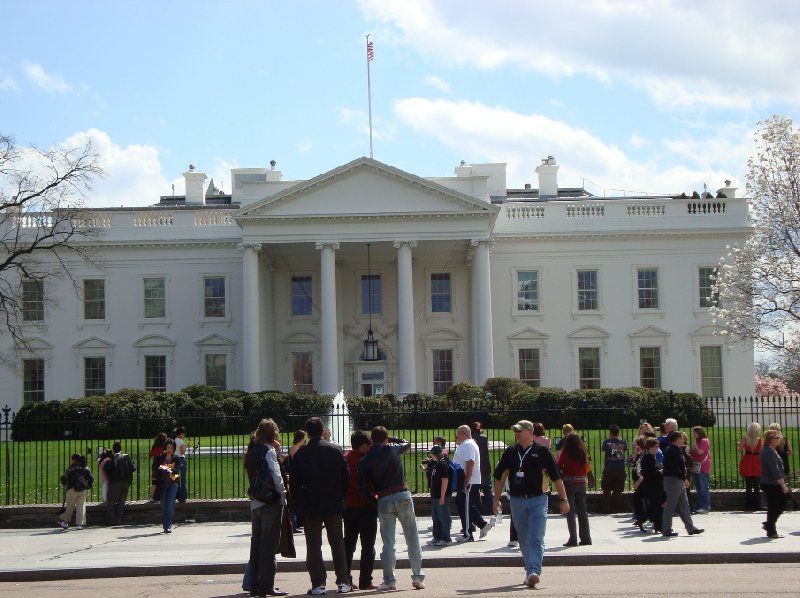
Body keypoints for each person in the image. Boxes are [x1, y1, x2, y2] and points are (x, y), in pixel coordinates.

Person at [492, 420, 569, 589]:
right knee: (523, 539)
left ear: (530, 432)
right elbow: (499, 477)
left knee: (536, 537)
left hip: (538, 500)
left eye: (520, 431)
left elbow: (556, 478)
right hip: (517, 500)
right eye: (515, 431)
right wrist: (496, 499)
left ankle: (534, 571)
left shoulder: (542, 452)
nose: (517, 433)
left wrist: (564, 500)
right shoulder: (510, 452)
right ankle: (529, 571)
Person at [358, 426, 425, 591]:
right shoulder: (392, 450)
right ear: (386, 439)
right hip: (401, 493)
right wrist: (391, 439)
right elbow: (407, 444)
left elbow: (362, 489)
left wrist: (374, 501)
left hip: (383, 497)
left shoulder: (365, 460)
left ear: (371, 440)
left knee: (388, 543)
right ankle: (417, 577)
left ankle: (389, 580)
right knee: (412, 539)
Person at [289, 416, 351, 595]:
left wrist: (299, 500)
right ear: (322, 430)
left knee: (314, 545)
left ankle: (318, 583)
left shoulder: (302, 453)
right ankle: (343, 581)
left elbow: (294, 482)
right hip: (333, 501)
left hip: (311, 503)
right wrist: (341, 496)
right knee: (337, 542)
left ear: (307, 433)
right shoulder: (335, 450)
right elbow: (345, 478)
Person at [244, 418, 288, 597]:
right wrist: (283, 495)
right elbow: (276, 477)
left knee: (256, 545)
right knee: (269, 546)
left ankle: (254, 585)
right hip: (270, 502)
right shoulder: (268, 451)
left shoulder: (252, 451)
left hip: (255, 501)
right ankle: (266, 586)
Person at [343, 430, 377, 591]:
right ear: (363, 446)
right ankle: (365, 580)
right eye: (369, 444)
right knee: (368, 546)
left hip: (349, 507)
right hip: (366, 506)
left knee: (348, 545)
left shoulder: (345, 458)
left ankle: (345, 579)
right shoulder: (368, 460)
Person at [453, 424, 493, 542]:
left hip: (469, 482)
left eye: (457, 434)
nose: (456, 437)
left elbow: (470, 462)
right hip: (467, 481)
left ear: (463, 433)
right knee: (464, 504)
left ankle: (467, 534)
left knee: (465, 505)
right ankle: (482, 524)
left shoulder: (468, 444)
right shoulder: (466, 445)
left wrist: (466, 481)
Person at [661, 431, 704, 537]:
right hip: (673, 481)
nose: (683, 439)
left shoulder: (676, 450)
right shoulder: (672, 451)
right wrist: (684, 478)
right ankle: (666, 529)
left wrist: (682, 478)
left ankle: (691, 528)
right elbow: (675, 468)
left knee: (684, 506)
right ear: (676, 439)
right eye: (681, 438)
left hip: (677, 481)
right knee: (670, 506)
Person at [556, 432, 591, 546]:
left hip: (569, 482)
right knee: (582, 511)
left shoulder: (566, 452)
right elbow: (587, 466)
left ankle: (573, 538)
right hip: (581, 482)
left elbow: (559, 465)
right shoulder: (583, 451)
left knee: (570, 512)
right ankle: (586, 538)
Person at [760, 428, 791, 539]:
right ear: (771, 440)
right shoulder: (769, 452)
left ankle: (770, 526)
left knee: (776, 505)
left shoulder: (771, 450)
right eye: (777, 438)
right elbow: (775, 469)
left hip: (772, 483)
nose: (779, 440)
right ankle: (771, 529)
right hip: (771, 483)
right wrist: (783, 485)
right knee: (778, 505)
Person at [634, 437, 663, 533]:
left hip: (656, 485)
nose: (657, 448)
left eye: (658, 446)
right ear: (650, 447)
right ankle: (657, 526)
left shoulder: (652, 457)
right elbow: (649, 473)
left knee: (654, 506)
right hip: (651, 486)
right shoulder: (647, 458)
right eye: (656, 446)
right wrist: (660, 472)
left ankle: (646, 522)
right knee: (655, 506)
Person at [104, 441, 136, 526]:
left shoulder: (112, 457)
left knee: (111, 500)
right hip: (126, 481)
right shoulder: (126, 456)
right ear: (121, 449)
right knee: (122, 501)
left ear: (113, 449)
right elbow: (133, 468)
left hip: (115, 481)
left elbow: (107, 469)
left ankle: (110, 520)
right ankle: (118, 520)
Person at [58, 454, 93, 530]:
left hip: (72, 489)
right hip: (83, 489)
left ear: (75, 460)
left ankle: (65, 522)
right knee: (81, 506)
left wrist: (65, 484)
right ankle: (80, 524)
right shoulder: (86, 468)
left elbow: (63, 478)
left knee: (70, 506)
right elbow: (91, 478)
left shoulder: (71, 468)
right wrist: (88, 486)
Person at [152, 438, 180, 533]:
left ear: (173, 449)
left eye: (171, 448)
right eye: (168, 447)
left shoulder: (176, 458)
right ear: (165, 448)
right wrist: (163, 467)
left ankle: (168, 526)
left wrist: (166, 468)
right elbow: (154, 467)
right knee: (163, 505)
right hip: (162, 484)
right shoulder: (160, 457)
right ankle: (165, 525)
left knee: (170, 505)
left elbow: (176, 472)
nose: (169, 449)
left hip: (173, 483)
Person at [427, 444, 452, 546]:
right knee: (436, 517)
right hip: (435, 495)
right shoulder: (436, 463)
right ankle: (437, 537)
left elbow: (445, 480)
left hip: (441, 495)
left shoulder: (442, 464)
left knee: (443, 517)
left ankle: (446, 538)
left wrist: (442, 496)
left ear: (434, 454)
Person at [600, 424, 627, 514]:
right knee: (618, 490)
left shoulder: (606, 442)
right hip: (620, 468)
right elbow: (624, 449)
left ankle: (606, 508)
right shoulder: (623, 442)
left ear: (610, 432)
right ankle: (615, 508)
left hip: (609, 468)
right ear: (618, 432)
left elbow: (603, 449)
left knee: (606, 488)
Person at [470, 421, 494, 515]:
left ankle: (477, 509)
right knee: (487, 489)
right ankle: (489, 509)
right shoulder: (484, 438)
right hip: (485, 466)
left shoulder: (471, 439)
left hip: (475, 467)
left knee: (474, 490)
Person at [738, 422, 763, 511]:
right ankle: (758, 505)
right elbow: (762, 451)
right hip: (756, 460)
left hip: (747, 460)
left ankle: (748, 505)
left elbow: (739, 449)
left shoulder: (745, 439)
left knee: (748, 486)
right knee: (757, 486)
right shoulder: (761, 440)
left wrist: (739, 444)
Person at [689, 426, 712, 514]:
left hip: (702, 466)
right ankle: (699, 505)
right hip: (696, 465)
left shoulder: (704, 441)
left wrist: (694, 442)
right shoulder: (698, 442)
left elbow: (700, 452)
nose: (694, 435)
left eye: (695, 432)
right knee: (698, 487)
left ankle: (705, 506)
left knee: (703, 487)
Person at [148, 432, 167, 502]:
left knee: (154, 482)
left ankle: (151, 496)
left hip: (155, 465)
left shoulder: (154, 446)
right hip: (163, 466)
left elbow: (151, 456)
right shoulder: (164, 447)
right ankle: (163, 496)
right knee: (164, 481)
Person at [173, 426, 189, 502]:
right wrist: (186, 445)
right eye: (183, 434)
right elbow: (182, 452)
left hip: (173, 460)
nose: (184, 436)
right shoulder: (180, 441)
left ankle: (176, 495)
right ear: (181, 434)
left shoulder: (173, 440)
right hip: (181, 459)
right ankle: (183, 497)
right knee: (183, 479)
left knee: (175, 479)